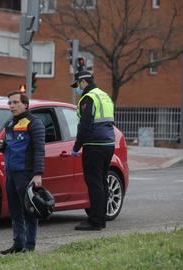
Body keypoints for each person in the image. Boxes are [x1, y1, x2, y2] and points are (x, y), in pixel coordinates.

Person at [0, 91, 45, 254]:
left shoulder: (34, 123)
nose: (12, 106)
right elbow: (11, 147)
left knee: (29, 210)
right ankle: (18, 244)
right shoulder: (10, 124)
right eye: (10, 103)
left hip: (26, 173)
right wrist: (2, 147)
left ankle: (29, 246)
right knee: (15, 211)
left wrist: (38, 174)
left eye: (15, 102)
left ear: (25, 104)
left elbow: (39, 150)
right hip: (10, 173)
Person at [70, 70, 115, 231]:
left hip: (94, 145)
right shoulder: (104, 96)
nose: (77, 89)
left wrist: (76, 147)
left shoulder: (88, 98)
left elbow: (85, 126)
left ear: (83, 82)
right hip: (108, 144)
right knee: (102, 182)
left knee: (94, 183)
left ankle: (95, 221)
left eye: (77, 85)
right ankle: (100, 219)